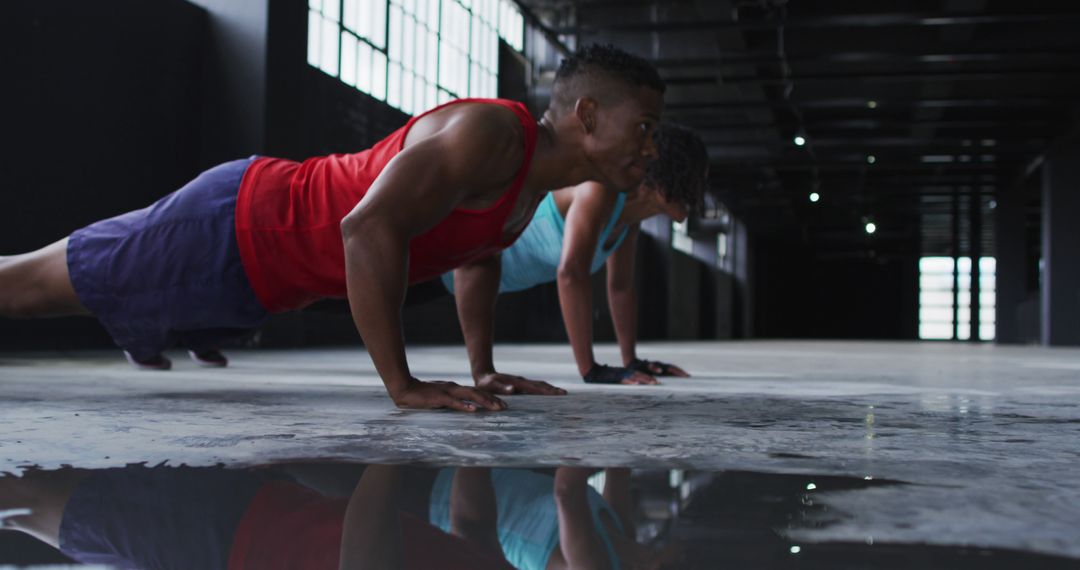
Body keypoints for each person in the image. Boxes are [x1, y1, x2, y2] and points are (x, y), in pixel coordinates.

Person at [0, 44, 665, 412]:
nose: (650, 147)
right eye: (643, 126)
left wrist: (482, 369)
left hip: (260, 278)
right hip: (240, 225)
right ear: (586, 115)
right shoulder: (491, 134)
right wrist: (401, 386)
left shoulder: (529, 187)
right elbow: (367, 228)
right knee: (24, 289)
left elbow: (476, 259)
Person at [427, 123, 708, 385]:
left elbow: (620, 287)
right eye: (692, 178)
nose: (698, 193)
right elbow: (571, 273)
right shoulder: (599, 190)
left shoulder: (629, 221)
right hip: (441, 260)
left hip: (465, 284)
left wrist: (631, 361)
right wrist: (591, 370)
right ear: (662, 177)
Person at [0, 463, 514, 570]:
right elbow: (471, 529)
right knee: (53, 501)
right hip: (265, 513)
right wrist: (472, 446)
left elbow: (364, 558)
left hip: (226, 545)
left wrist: (389, 454)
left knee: (40, 501)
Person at [429, 466, 684, 570]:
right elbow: (618, 470)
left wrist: (585, 429)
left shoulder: (595, 566)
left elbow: (566, 491)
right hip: (477, 473)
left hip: (443, 501)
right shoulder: (625, 534)